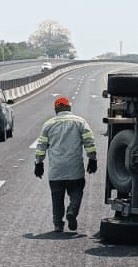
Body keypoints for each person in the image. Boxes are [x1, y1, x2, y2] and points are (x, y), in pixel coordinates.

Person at [33, 96, 97, 232]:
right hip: (75, 168)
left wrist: (39, 163)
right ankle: (72, 211)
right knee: (77, 191)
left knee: (57, 196)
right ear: (69, 108)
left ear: (56, 110)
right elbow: (89, 141)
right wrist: (92, 159)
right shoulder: (80, 122)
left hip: (56, 170)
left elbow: (41, 145)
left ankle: (57, 224)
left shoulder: (48, 124)